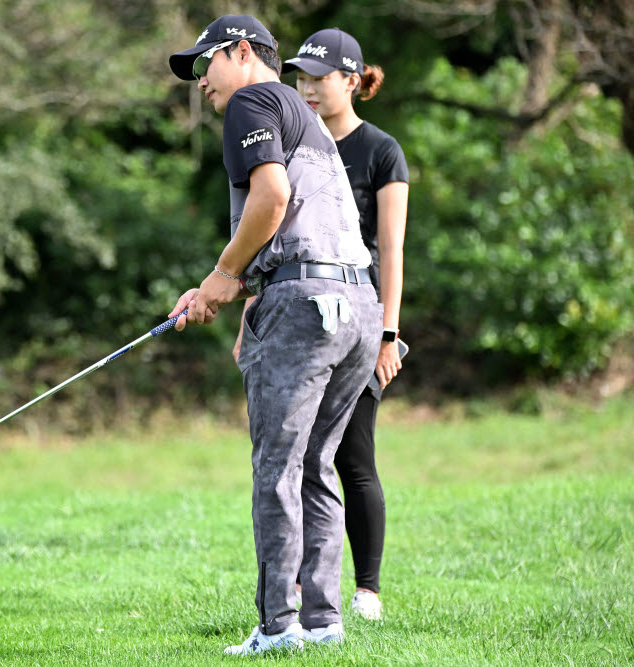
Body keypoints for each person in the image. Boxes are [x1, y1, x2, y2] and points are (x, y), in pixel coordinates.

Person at [168, 15, 382, 655]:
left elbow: (271, 198)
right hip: (358, 308)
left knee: (278, 470)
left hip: (307, 310)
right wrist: (240, 289)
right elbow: (302, 218)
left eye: (206, 65)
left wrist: (222, 274)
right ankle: (322, 624)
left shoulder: (252, 100)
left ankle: (279, 627)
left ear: (240, 52)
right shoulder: (305, 110)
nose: (202, 83)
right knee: (315, 467)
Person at [278, 27, 410, 621]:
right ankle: (306, 584)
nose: (306, 88)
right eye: (300, 78)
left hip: (360, 322)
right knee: (300, 452)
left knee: (352, 456)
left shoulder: (381, 151)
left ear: (352, 82)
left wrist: (388, 333)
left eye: (318, 78)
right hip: (299, 321)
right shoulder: (290, 146)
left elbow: (391, 249)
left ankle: (368, 589)